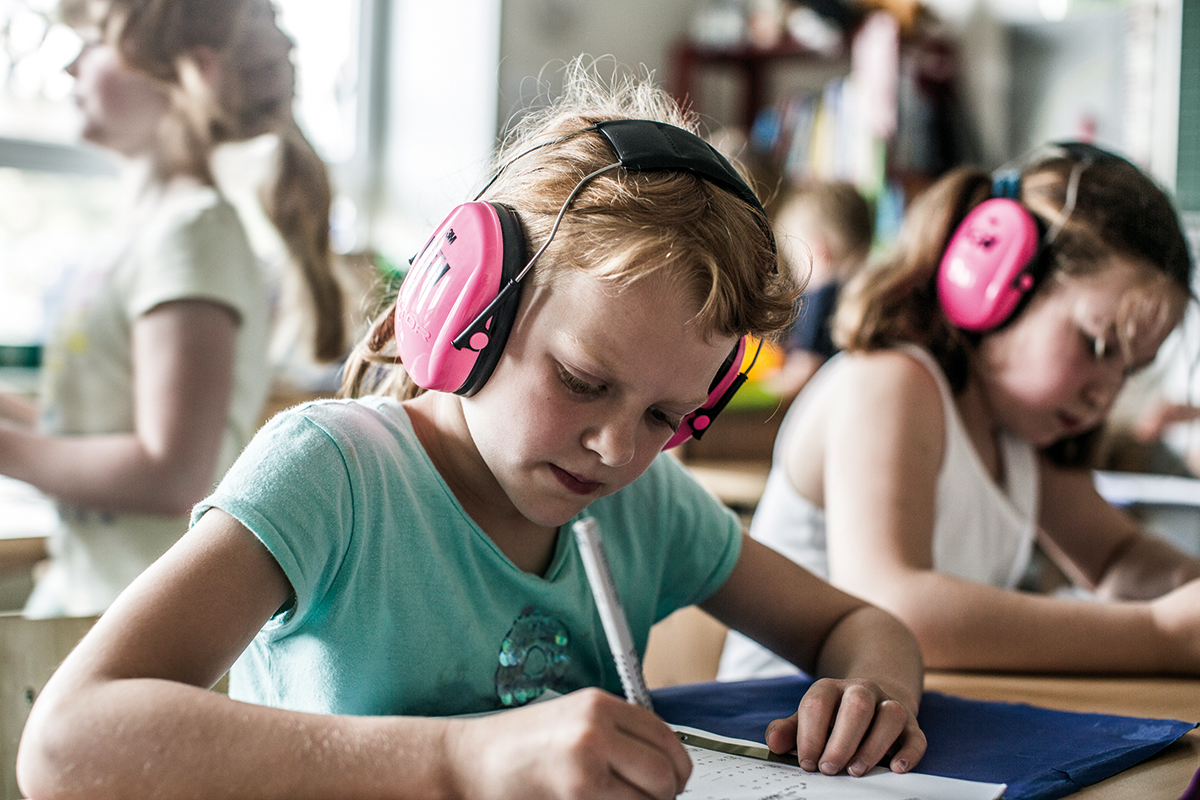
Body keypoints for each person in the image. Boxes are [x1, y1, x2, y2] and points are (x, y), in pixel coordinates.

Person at [17, 61, 927, 800]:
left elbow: (859, 622)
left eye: (663, 414)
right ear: (467, 311)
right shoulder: (333, 477)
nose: (617, 448)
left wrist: (871, 691)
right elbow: (66, 743)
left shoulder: (644, 505)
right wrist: (461, 762)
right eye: (581, 381)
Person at [718, 142, 1200, 681]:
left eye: (1130, 370)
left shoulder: (1020, 432)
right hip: (779, 736)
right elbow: (895, 608)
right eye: (1099, 346)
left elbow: (1117, 559)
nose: (1106, 394)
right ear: (996, 278)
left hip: (894, 741)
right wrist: (1159, 635)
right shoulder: (891, 383)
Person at [0, 0, 346, 617]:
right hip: (83, 599)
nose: (72, 65)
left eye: (96, 41)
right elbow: (97, 427)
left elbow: (172, 472)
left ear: (192, 72)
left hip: (137, 621)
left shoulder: (194, 236)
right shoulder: (137, 232)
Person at [770, 180, 873, 402]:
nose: (795, 274)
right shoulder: (868, 287)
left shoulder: (822, 295)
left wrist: (770, 384)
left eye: (793, 258)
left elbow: (805, 368)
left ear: (818, 249)